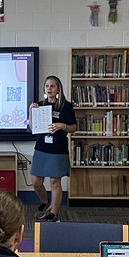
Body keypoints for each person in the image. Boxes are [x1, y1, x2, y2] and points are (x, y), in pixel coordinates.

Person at [29, 75, 76, 222]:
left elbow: (73, 128)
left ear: (58, 89)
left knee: (55, 182)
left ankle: (54, 213)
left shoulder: (66, 106)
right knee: (36, 183)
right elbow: (32, 128)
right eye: (47, 86)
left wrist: (62, 126)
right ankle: (45, 202)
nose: (49, 88)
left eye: (52, 86)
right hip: (42, 147)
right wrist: (31, 111)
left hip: (58, 149)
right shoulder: (40, 105)